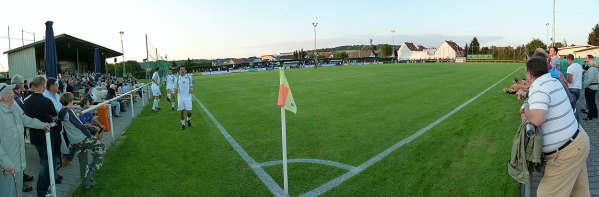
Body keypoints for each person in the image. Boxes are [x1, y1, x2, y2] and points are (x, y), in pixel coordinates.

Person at [521, 57, 590, 196]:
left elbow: (538, 118)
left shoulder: (539, 87)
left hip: (566, 153)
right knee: (579, 192)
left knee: (545, 194)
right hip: (577, 143)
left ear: (529, 74)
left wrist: (525, 108)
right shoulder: (552, 80)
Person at [0, 83, 51, 197]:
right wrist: (7, 163)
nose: (14, 94)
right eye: (11, 92)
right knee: (7, 192)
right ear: (4, 96)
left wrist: (43, 125)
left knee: (17, 192)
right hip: (6, 166)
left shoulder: (13, 110)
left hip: (18, 164)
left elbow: (26, 120)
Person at [23, 76, 62, 197]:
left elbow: (27, 117)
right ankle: (42, 191)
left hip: (34, 137)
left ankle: (47, 185)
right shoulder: (46, 101)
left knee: (44, 162)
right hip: (47, 136)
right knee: (45, 165)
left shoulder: (27, 100)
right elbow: (55, 116)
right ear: (43, 85)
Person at [57, 93, 105, 190]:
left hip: (74, 142)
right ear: (70, 101)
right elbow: (80, 125)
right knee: (101, 147)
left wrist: (75, 111)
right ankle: (93, 167)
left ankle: (87, 184)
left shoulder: (61, 112)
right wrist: (89, 135)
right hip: (82, 138)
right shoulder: (70, 112)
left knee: (83, 162)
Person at [10, 75, 36, 192]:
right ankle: (19, 183)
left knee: (20, 154)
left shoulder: (18, 95)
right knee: (16, 156)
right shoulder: (13, 97)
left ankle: (22, 175)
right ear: (18, 84)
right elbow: (23, 112)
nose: (24, 85)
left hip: (21, 129)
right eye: (22, 83)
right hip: (15, 131)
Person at [566, 54, 583, 121]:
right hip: (578, 88)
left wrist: (565, 78)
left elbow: (570, 80)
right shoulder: (579, 66)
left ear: (568, 59)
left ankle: (575, 121)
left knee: (573, 107)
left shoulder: (570, 68)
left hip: (572, 88)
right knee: (574, 104)